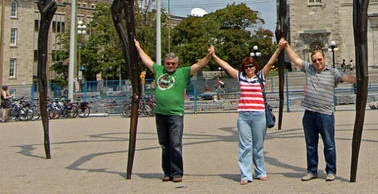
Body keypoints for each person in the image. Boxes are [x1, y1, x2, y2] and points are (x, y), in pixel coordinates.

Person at [134, 39, 214, 183]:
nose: (170, 66)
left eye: (173, 64)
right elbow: (147, 61)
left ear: (177, 64)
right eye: (168, 63)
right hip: (160, 113)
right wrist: (138, 48)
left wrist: (209, 56)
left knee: (175, 144)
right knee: (164, 145)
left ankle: (177, 172)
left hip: (175, 114)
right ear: (164, 63)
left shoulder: (183, 73)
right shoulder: (159, 70)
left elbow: (199, 65)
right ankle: (167, 172)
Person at [212, 40, 286, 184]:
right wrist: (214, 56)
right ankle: (246, 175)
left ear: (255, 67)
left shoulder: (261, 77)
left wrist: (278, 49)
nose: (249, 68)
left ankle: (260, 171)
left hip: (259, 114)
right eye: (246, 67)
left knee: (258, 146)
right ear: (243, 68)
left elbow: (270, 64)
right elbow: (226, 66)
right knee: (245, 146)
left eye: (251, 66)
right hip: (244, 115)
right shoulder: (241, 78)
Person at [283, 42, 356, 182]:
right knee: (311, 145)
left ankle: (331, 171)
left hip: (325, 115)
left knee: (329, 144)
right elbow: (296, 59)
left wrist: (362, 79)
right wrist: (286, 46)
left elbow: (346, 78)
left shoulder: (333, 72)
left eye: (319, 59)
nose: (317, 62)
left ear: (324, 59)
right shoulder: (309, 68)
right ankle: (312, 171)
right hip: (309, 114)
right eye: (314, 60)